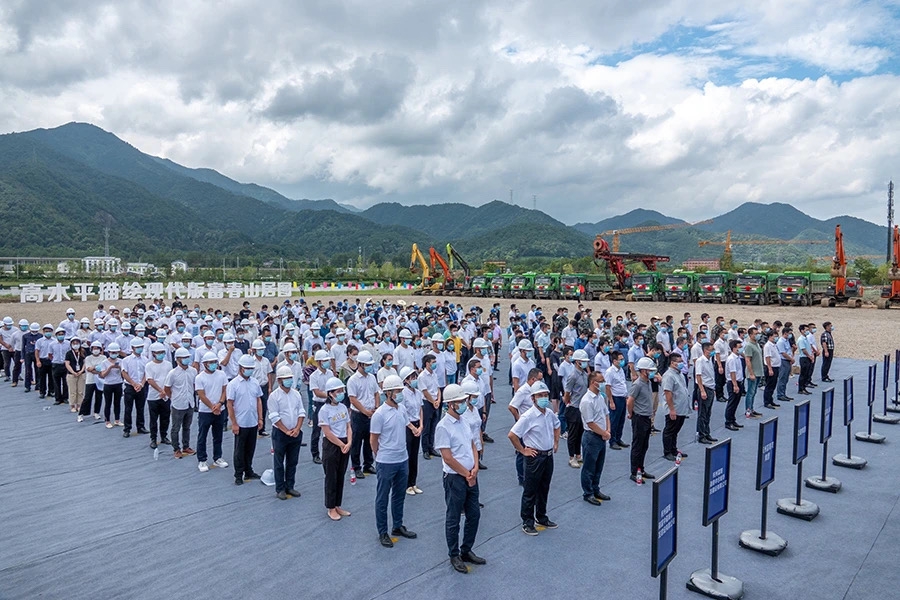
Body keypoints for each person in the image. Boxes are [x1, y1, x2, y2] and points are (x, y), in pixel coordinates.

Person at [435, 383, 484, 573]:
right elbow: (447, 457)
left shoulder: (464, 421)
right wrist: (467, 474)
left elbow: (472, 444)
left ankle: (467, 549)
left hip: (471, 475)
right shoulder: (443, 427)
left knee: (474, 514)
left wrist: (476, 467)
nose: (464, 404)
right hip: (455, 478)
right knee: (453, 517)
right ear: (450, 404)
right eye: (460, 401)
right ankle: (454, 554)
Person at [508, 381, 560, 536]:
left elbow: (557, 426)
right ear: (533, 398)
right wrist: (523, 450)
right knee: (530, 491)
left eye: (545, 395)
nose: (544, 398)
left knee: (544, 488)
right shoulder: (528, 416)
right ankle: (527, 521)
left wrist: (555, 442)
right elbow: (512, 435)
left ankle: (542, 517)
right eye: (540, 395)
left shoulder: (549, 413)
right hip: (535, 457)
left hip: (548, 456)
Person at [370, 374, 416, 547]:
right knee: (382, 497)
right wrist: (379, 456)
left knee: (399, 495)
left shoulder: (401, 408)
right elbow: (373, 439)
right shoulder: (379, 415)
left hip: (402, 458)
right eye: (397, 391)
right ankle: (383, 531)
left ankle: (397, 525)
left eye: (400, 390)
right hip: (386, 461)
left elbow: (406, 424)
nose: (400, 394)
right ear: (388, 393)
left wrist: (415, 428)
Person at [268, 366, 306, 499]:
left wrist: (297, 429)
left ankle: (290, 486)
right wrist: (286, 431)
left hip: (295, 432)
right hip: (280, 433)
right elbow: (274, 416)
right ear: (279, 381)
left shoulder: (296, 394)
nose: (289, 380)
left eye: (290, 378)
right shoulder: (274, 396)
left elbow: (301, 412)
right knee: (279, 461)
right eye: (286, 378)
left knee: (292, 461)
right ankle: (280, 489)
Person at [227, 355, 264, 485]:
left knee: (250, 448)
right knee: (239, 450)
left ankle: (249, 470)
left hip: (253, 421)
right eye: (247, 368)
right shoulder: (233, 384)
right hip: (241, 423)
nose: (249, 370)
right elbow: (230, 404)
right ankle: (238, 474)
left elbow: (258, 400)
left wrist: (260, 418)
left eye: (251, 368)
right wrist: (234, 423)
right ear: (241, 368)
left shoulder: (254, 382)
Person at [319, 377, 353, 521]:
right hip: (332, 445)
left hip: (345, 443)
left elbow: (348, 426)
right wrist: (340, 444)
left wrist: (349, 442)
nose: (341, 393)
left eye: (342, 391)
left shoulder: (343, 407)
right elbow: (327, 432)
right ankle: (331, 507)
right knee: (331, 477)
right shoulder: (324, 410)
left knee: (340, 475)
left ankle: (338, 504)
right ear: (330, 393)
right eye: (338, 391)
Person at [580, 371, 611, 505]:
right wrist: (604, 433)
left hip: (602, 436)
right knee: (589, 467)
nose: (604, 383)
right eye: (601, 381)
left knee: (599, 466)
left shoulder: (600, 397)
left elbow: (606, 414)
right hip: (592, 437)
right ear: (593, 383)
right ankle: (588, 493)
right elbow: (590, 423)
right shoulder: (587, 401)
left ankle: (595, 488)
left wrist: (608, 430)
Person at [195, 351, 229, 472]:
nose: (213, 364)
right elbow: (201, 395)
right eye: (211, 362)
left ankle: (217, 457)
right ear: (205, 364)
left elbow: (225, 390)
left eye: (215, 362)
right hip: (205, 411)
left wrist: (220, 404)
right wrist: (212, 407)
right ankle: (202, 460)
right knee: (202, 436)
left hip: (220, 410)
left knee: (218, 435)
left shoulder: (222, 374)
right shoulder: (199, 377)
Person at [348, 350, 379, 479]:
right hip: (358, 414)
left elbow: (376, 393)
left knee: (369, 440)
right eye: (367, 364)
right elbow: (353, 399)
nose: (369, 367)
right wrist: (365, 411)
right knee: (356, 442)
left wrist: (376, 408)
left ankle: (368, 464)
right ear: (360, 364)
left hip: (371, 413)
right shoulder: (353, 380)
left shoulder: (372, 377)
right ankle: (356, 467)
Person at [626, 356, 657, 482]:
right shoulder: (637, 384)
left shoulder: (648, 382)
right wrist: (631, 414)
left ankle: (641, 468)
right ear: (644, 371)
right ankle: (634, 471)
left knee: (644, 445)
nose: (653, 372)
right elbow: (630, 401)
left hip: (647, 418)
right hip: (639, 418)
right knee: (638, 445)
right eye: (650, 370)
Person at [165, 347, 197, 458]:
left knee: (187, 426)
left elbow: (194, 385)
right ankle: (176, 448)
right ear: (177, 359)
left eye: (187, 357)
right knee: (175, 428)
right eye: (183, 358)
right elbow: (167, 388)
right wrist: (173, 398)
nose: (186, 359)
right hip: (178, 404)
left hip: (190, 403)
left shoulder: (193, 371)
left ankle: (186, 446)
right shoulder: (172, 373)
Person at [399, 366, 424, 495]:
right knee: (407, 455)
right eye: (412, 378)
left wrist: (420, 425)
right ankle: (406, 484)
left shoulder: (418, 393)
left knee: (414, 455)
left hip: (416, 425)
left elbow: (420, 409)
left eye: (415, 377)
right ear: (406, 380)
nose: (415, 379)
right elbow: (403, 413)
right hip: (407, 426)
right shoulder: (403, 393)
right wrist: (412, 427)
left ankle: (413, 482)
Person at [661, 353, 691, 461]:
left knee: (676, 430)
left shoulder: (680, 374)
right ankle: (667, 451)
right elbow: (668, 393)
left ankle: (673, 449)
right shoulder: (669, 375)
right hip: (674, 408)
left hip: (681, 407)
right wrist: (671, 409)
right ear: (672, 363)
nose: (681, 363)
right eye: (679, 362)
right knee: (670, 430)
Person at [563, 349, 589, 468]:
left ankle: (578, 455)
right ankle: (571, 457)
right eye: (583, 361)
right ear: (577, 362)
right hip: (574, 407)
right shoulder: (573, 375)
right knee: (573, 434)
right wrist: (568, 402)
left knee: (580, 432)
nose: (585, 363)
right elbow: (567, 392)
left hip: (582, 408)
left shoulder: (584, 374)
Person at [308, 349, 334, 465]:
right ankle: (315, 454)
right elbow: (317, 392)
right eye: (324, 361)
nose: (327, 363)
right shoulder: (314, 376)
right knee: (316, 430)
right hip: (319, 404)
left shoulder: (330, 373)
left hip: (329, 403)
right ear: (319, 362)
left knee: (331, 428)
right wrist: (329, 395)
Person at [144, 342, 172, 448]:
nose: (161, 354)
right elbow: (150, 380)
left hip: (165, 396)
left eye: (162, 352)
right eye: (158, 352)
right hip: (153, 396)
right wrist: (161, 390)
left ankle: (164, 436)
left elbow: (170, 378)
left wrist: (166, 391)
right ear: (153, 353)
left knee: (165, 418)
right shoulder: (149, 366)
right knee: (153, 419)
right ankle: (153, 438)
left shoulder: (168, 364)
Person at [121, 339, 148, 438]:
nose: (140, 349)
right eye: (138, 347)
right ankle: (127, 429)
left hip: (141, 386)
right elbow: (124, 373)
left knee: (140, 408)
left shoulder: (145, 359)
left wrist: (141, 384)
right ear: (132, 348)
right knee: (128, 409)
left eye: (141, 347)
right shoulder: (126, 360)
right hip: (129, 386)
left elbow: (146, 373)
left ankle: (140, 426)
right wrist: (133, 384)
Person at [418, 353, 442, 460]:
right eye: (433, 362)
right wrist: (433, 402)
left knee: (434, 426)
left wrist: (439, 400)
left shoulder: (434, 374)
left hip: (435, 402)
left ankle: (431, 447)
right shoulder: (422, 376)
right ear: (427, 363)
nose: (435, 364)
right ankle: (425, 450)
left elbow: (438, 389)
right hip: (427, 403)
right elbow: (425, 392)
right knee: (426, 427)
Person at [604, 350, 629, 450]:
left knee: (621, 420)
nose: (623, 361)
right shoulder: (610, 372)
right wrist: (611, 401)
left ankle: (618, 438)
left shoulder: (621, 370)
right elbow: (608, 387)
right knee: (614, 420)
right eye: (620, 360)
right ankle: (612, 440)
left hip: (622, 397)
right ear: (614, 361)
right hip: (615, 398)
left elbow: (622, 383)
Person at [694, 342, 718, 444]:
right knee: (702, 413)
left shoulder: (710, 360)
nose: (713, 352)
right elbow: (698, 376)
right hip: (704, 388)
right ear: (705, 350)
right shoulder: (700, 361)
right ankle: (701, 435)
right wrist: (702, 390)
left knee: (708, 413)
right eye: (711, 350)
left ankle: (707, 433)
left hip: (710, 388)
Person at [98, 342, 124, 428]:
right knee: (108, 403)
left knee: (117, 403)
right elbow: (103, 375)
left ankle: (117, 420)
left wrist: (120, 368)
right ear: (109, 353)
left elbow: (124, 373)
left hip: (118, 383)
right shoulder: (104, 362)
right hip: (108, 384)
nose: (114, 354)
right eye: (112, 353)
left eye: (116, 353)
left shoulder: (121, 361)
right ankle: (107, 421)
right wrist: (110, 367)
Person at [79, 341, 105, 422]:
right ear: (91, 349)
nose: (96, 350)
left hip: (100, 380)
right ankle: (81, 414)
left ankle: (96, 412)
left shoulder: (103, 358)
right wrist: (97, 368)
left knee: (99, 396)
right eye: (94, 348)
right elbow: (89, 369)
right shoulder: (88, 358)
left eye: (97, 348)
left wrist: (96, 369)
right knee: (87, 397)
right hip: (90, 380)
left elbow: (103, 368)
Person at [743, 327, 764, 419]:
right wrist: (751, 373)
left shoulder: (757, 344)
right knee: (750, 392)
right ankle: (748, 410)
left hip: (758, 372)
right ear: (750, 335)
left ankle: (751, 408)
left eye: (758, 333)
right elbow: (748, 360)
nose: (757, 335)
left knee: (754, 392)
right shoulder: (749, 346)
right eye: (755, 334)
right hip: (753, 373)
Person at [64, 337, 86, 415]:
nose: (75, 345)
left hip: (81, 374)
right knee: (72, 391)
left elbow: (85, 363)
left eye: (77, 343)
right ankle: (72, 405)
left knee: (80, 391)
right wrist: (73, 372)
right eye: (74, 343)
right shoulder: (69, 353)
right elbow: (67, 364)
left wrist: (81, 371)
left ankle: (79, 405)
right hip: (71, 374)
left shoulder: (83, 352)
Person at [49, 327, 69, 405]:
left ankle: (65, 398)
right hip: (56, 365)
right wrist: (54, 361)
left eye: (62, 334)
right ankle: (58, 399)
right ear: (56, 335)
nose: (61, 336)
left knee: (65, 382)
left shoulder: (68, 343)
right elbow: (50, 354)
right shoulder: (52, 344)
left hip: (65, 365)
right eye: (59, 334)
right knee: (56, 383)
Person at [776, 328, 794, 403]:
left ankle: (783, 393)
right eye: (789, 333)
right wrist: (791, 359)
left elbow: (789, 351)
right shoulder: (781, 342)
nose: (790, 335)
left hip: (787, 360)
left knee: (786, 378)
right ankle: (780, 394)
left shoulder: (786, 341)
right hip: (783, 361)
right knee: (782, 378)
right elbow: (783, 353)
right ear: (785, 333)